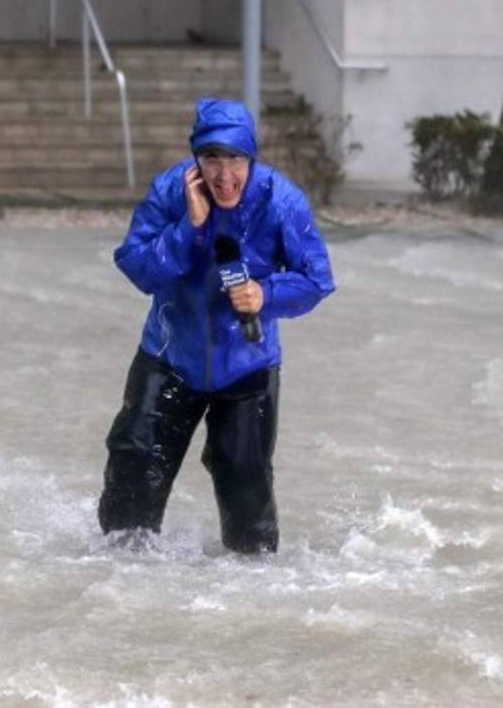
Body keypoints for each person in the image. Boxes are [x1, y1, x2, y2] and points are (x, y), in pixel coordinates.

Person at [97, 97, 335, 554]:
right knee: (133, 468)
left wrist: (267, 294)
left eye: (236, 160)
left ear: (251, 158)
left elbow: (317, 280)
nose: (224, 175)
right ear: (196, 160)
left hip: (247, 365)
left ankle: (251, 601)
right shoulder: (171, 191)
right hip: (168, 357)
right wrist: (190, 226)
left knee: (247, 497)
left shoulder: (281, 201)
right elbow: (137, 267)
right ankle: (115, 584)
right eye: (211, 159)